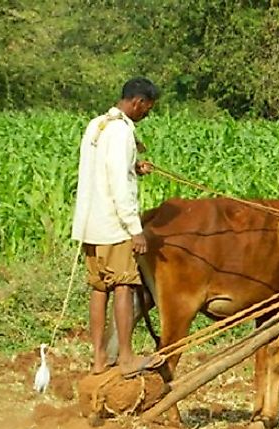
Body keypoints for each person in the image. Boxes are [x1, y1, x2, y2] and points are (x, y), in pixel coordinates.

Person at [71, 77, 160, 377]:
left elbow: (104, 167)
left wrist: (135, 167)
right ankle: (125, 357)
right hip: (113, 224)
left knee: (99, 288)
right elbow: (119, 186)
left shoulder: (97, 125)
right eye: (148, 108)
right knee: (124, 286)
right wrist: (135, 229)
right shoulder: (121, 132)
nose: (147, 113)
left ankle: (98, 359)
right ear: (138, 102)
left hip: (90, 224)